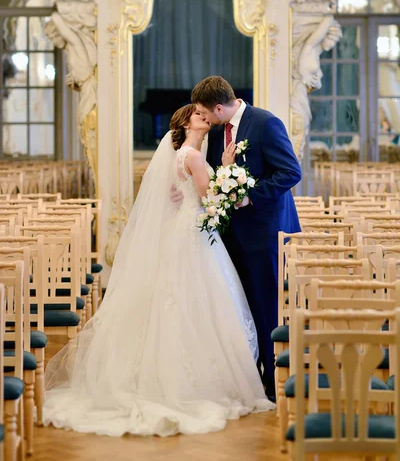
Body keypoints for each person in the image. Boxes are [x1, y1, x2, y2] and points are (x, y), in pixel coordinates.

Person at [43, 104, 274, 438]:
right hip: (194, 232)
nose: (205, 117)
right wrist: (226, 170)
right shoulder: (193, 156)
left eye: (205, 113)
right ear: (185, 122)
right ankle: (193, 381)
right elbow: (211, 201)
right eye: (198, 115)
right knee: (197, 301)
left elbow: (179, 194)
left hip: (184, 229)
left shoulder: (182, 153)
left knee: (181, 300)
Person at [173, 77, 302, 399]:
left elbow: (290, 172)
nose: (202, 117)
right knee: (238, 308)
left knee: (265, 307)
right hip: (228, 233)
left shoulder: (265, 123)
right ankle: (247, 377)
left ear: (219, 107)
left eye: (204, 111)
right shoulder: (217, 130)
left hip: (263, 231)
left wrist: (249, 196)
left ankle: (273, 382)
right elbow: (215, 176)